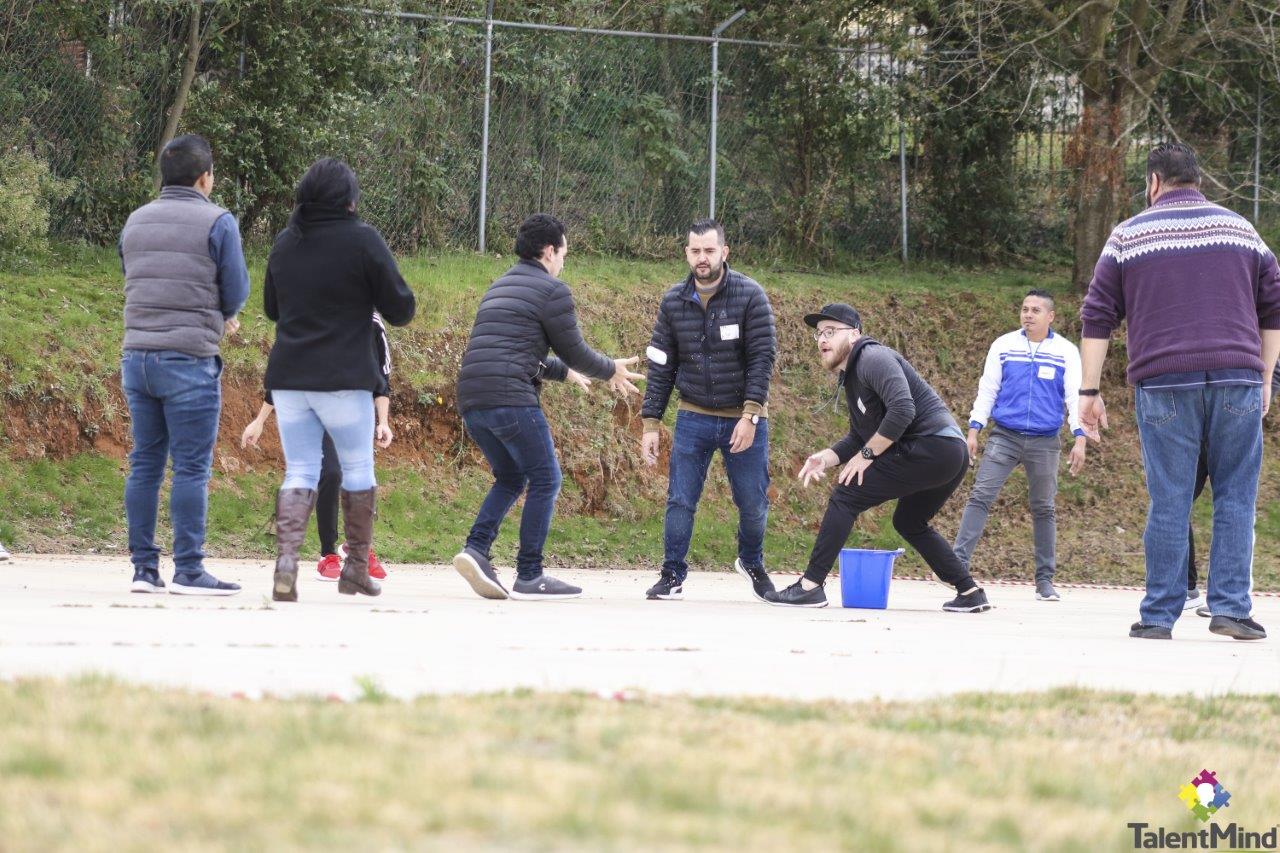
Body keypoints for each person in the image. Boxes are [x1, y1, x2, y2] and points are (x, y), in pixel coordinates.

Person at [1079, 142, 1280, 641]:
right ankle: (1230, 609)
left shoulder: (1128, 236)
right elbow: (1274, 306)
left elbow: (1097, 316)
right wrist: (1266, 377)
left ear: (1153, 182)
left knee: (1169, 498)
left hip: (1164, 381)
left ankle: (1158, 616)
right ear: (1197, 180)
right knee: (1236, 496)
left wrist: (1089, 390)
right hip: (1237, 377)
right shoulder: (1241, 229)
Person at [452, 213, 643, 601]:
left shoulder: (500, 286)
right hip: (510, 398)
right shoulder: (552, 290)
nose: (563, 263)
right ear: (550, 251)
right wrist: (610, 369)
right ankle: (530, 574)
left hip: (472, 399)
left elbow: (514, 351)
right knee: (546, 478)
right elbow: (575, 351)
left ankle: (476, 549)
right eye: (564, 255)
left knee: (511, 476)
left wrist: (563, 372)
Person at [768, 303, 993, 612]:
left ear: (855, 334)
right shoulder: (854, 375)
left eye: (831, 331)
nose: (822, 339)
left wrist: (867, 455)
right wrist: (827, 458)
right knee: (909, 521)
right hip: (946, 453)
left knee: (846, 496)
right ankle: (969, 591)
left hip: (934, 446)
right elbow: (859, 436)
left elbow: (903, 409)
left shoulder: (873, 358)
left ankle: (810, 587)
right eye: (819, 334)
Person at [263, 158, 416, 602]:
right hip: (344, 377)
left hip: (290, 377)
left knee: (300, 469)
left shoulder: (286, 242)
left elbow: (272, 308)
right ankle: (355, 570)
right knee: (358, 469)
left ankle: (286, 563)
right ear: (349, 200)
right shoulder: (362, 239)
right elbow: (401, 308)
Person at [118, 134, 248, 596]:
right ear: (205, 177)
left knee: (145, 464)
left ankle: (143, 570)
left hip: (137, 357)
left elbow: (134, 275)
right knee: (191, 467)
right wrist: (223, 314)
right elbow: (236, 291)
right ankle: (189, 569)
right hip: (189, 358)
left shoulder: (135, 220)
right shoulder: (218, 221)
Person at [639, 219, 777, 602]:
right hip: (693, 416)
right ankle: (671, 574)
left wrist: (750, 414)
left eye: (710, 250)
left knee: (753, 502)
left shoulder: (751, 295)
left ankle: (751, 561)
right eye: (696, 250)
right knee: (680, 499)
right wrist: (651, 422)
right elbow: (661, 364)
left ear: (724, 252)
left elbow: (762, 358)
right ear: (687, 253)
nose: (703, 258)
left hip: (743, 418)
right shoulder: (673, 301)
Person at [953, 289, 1087, 602]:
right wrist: (974, 430)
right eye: (1025, 309)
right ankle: (956, 566)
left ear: (1050, 316)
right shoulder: (1003, 345)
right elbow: (987, 389)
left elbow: (1074, 397)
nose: (1028, 315)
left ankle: (1045, 580)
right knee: (980, 496)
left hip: (1045, 441)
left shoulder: (1066, 351)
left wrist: (1079, 438)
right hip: (1005, 436)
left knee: (1044, 507)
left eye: (1035, 310)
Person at [243, 313, 395, 582]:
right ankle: (328, 554)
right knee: (332, 473)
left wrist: (383, 422)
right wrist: (260, 421)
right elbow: (286, 371)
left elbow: (382, 380)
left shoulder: (372, 323)